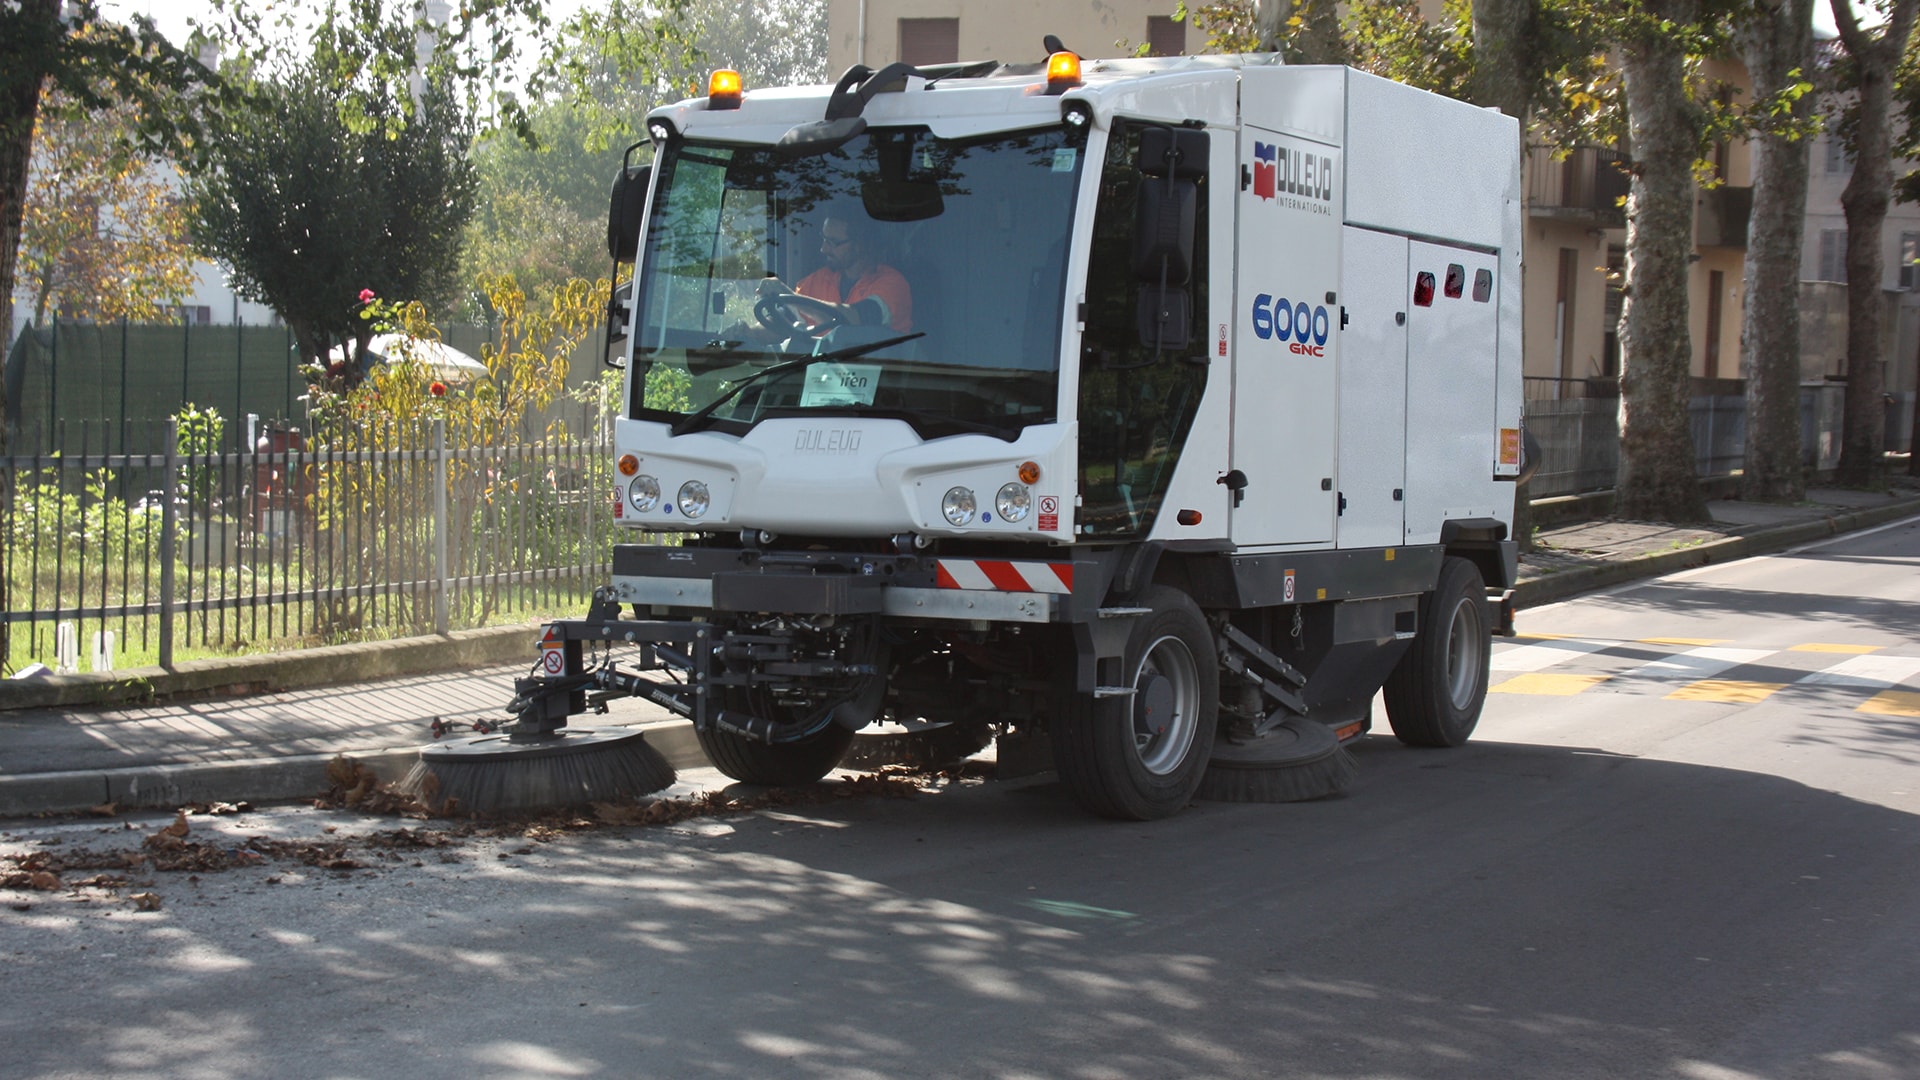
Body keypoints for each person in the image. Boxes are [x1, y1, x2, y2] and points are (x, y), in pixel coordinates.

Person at [762, 214, 914, 334]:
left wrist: (792, 298)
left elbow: (853, 318)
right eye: (824, 239)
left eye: (833, 242)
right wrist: (746, 333)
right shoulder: (817, 281)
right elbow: (782, 323)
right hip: (821, 372)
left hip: (881, 372)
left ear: (860, 245)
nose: (823, 249)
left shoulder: (892, 284)